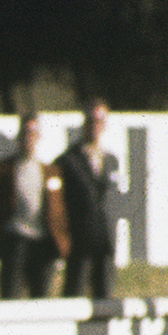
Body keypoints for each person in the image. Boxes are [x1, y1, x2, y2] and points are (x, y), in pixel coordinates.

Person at [0, 110, 68, 300]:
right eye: (25, 133)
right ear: (18, 137)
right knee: (10, 298)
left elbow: (60, 210)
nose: (29, 138)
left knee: (41, 299)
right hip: (14, 241)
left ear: (39, 137)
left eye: (33, 134)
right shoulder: (3, 169)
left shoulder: (50, 171)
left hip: (42, 243)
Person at [55, 100, 122, 299]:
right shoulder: (68, 161)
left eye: (100, 121)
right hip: (79, 241)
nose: (95, 126)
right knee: (74, 294)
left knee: (105, 298)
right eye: (91, 120)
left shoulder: (110, 160)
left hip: (105, 240)